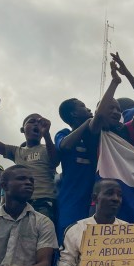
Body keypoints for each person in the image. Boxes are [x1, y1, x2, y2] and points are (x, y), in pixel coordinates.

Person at [0, 97, 59, 222]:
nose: (37, 124)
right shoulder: (16, 151)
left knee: (41, 236)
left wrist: (47, 135)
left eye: (40, 122)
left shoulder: (47, 148)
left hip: (44, 202)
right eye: (32, 122)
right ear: (23, 129)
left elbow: (55, 162)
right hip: (20, 203)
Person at [55, 96, 96, 240]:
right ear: (74, 114)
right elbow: (65, 146)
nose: (89, 109)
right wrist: (86, 123)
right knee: (68, 235)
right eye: (83, 106)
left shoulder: (95, 134)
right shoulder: (63, 133)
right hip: (71, 195)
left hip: (93, 195)